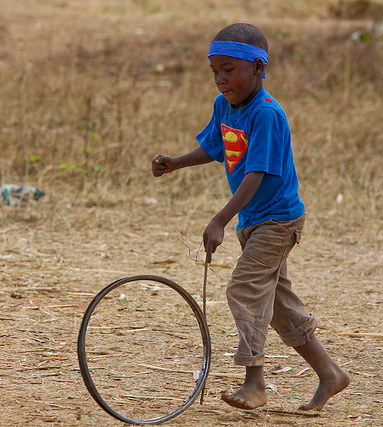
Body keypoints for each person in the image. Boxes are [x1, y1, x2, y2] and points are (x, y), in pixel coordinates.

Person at [151, 23, 349, 411]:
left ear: (259, 68)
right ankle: (330, 373)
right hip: (256, 221)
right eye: (215, 72)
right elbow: (216, 148)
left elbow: (256, 176)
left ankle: (254, 381)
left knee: (243, 288)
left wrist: (219, 220)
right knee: (274, 304)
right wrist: (176, 163)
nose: (221, 79)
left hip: (279, 220)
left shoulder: (267, 115)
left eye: (229, 69)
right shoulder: (225, 105)